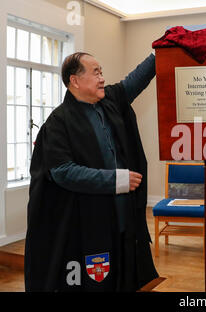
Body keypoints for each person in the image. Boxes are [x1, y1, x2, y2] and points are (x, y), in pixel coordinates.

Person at [25, 51, 159, 291]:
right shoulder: (58, 122)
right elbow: (62, 171)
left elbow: (134, 80)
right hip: (86, 222)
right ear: (75, 80)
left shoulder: (109, 102)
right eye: (96, 72)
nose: (102, 78)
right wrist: (116, 180)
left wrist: (159, 52)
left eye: (102, 72)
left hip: (121, 217)